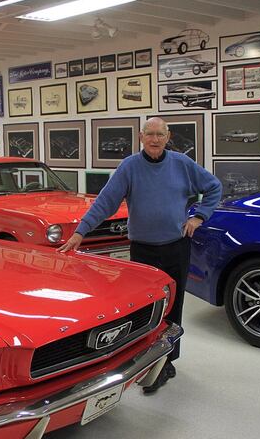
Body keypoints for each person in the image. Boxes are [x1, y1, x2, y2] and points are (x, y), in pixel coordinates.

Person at [58, 117, 222, 395]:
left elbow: (214, 187)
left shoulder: (182, 164)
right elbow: (105, 203)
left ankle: (168, 360)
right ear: (140, 136)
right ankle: (143, 359)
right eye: (150, 134)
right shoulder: (130, 167)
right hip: (143, 250)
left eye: (160, 134)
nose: (155, 139)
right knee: (145, 308)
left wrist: (199, 217)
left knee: (174, 305)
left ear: (167, 136)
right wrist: (79, 233)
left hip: (175, 247)